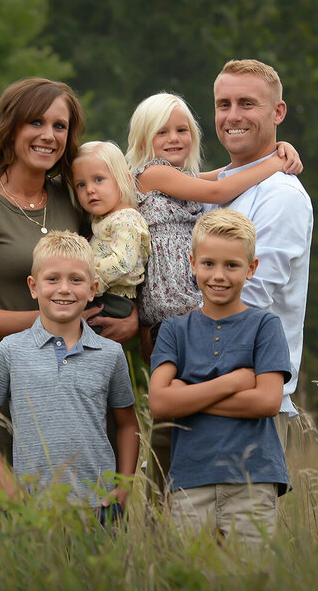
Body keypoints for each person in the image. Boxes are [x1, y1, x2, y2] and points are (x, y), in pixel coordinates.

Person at [0, 77, 137, 457]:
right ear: (9, 127)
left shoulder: (78, 195)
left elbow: (133, 232)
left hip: (91, 400)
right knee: (23, 513)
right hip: (20, 397)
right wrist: (52, 321)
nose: (49, 135)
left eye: (59, 126)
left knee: (101, 512)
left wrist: (134, 319)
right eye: (36, 122)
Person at [124, 91, 301, 493]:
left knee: (191, 398)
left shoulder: (182, 178)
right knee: (171, 405)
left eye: (182, 129)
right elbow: (222, 192)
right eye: (161, 132)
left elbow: (222, 176)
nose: (174, 138)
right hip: (171, 308)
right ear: (142, 141)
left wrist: (275, 150)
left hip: (192, 307)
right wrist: (275, 163)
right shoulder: (150, 173)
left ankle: (210, 396)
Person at [0, 231, 139, 515]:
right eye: (52, 279)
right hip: (33, 510)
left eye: (76, 280)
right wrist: (6, 484)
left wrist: (124, 486)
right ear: (33, 287)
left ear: (92, 289)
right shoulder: (10, 351)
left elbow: (127, 424)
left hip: (98, 506)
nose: (64, 289)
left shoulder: (110, 354)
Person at [147, 210, 289, 547]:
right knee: (193, 585)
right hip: (190, 479)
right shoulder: (174, 330)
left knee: (248, 586)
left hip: (253, 480)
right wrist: (235, 382)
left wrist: (188, 398)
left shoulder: (265, 327)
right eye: (208, 264)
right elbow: (160, 403)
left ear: (251, 269)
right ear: (192, 263)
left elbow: (267, 402)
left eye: (232, 265)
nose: (218, 276)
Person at [211, 60, 313, 437]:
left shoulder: (281, 195)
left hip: (250, 404)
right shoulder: (216, 188)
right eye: (224, 104)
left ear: (278, 112)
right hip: (194, 393)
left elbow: (247, 300)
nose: (232, 116)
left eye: (247, 104)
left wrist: (162, 328)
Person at [70, 140, 151, 320]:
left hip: (113, 300)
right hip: (99, 294)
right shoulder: (101, 220)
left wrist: (83, 282)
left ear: (123, 179)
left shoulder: (127, 219)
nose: (90, 190)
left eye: (98, 179)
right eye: (81, 185)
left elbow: (122, 263)